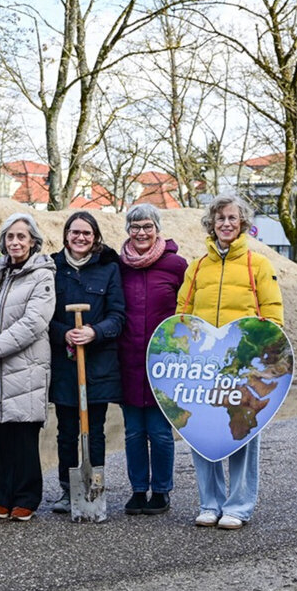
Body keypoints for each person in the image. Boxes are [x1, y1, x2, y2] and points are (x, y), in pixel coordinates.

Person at [178, 193, 284, 530]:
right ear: (211, 224)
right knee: (201, 431)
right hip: (205, 370)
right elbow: (183, 315)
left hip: (244, 370)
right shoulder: (197, 267)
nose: (225, 223)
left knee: (243, 432)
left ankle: (238, 506)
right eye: (220, 218)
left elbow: (272, 317)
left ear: (243, 225)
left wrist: (264, 360)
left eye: (232, 218)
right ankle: (209, 503)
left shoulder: (259, 266)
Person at [0, 213, 55, 521]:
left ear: (33, 241)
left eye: (22, 236)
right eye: (10, 237)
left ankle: (26, 498)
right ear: (3, 241)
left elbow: (33, 324)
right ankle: (3, 495)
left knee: (23, 434)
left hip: (24, 366)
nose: (15, 242)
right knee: (0, 434)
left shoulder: (42, 275)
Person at [48, 211, 126, 514]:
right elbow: (44, 317)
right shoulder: (52, 267)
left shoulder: (108, 269)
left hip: (98, 364)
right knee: (66, 431)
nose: (80, 238)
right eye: (75, 232)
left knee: (94, 429)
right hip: (66, 364)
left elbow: (118, 316)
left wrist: (95, 331)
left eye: (87, 233)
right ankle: (68, 492)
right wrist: (65, 333)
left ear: (95, 238)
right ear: (66, 234)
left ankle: (94, 486)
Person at [116, 204, 188, 516]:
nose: (141, 232)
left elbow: (188, 311)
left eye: (147, 226)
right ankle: (137, 490)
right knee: (133, 432)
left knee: (159, 432)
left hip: (164, 362)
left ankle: (161, 490)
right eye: (135, 227)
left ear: (157, 228)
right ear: (127, 230)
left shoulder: (176, 265)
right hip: (127, 360)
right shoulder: (119, 266)